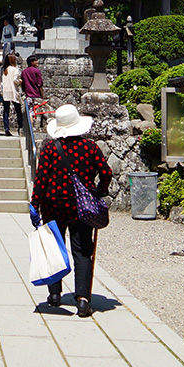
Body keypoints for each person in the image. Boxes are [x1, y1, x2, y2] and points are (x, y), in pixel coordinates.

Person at [30, 103, 112, 318]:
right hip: (81, 207)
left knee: (55, 247)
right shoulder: (90, 148)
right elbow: (106, 172)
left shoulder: (50, 148)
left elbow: (41, 179)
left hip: (52, 204)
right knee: (83, 251)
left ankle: (55, 294)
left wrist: (34, 204)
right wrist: (98, 192)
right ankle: (83, 300)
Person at [0, 52, 23, 137]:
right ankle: (20, 127)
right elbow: (15, 80)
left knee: (6, 110)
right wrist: (20, 81)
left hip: (6, 91)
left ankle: (6, 128)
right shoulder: (15, 69)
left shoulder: (5, 70)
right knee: (18, 110)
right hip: (13, 91)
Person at [20, 54, 45, 127]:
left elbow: (23, 84)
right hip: (36, 95)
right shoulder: (37, 71)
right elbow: (40, 84)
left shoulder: (24, 72)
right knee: (37, 112)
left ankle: (30, 127)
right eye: (35, 61)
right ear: (32, 62)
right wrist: (42, 94)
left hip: (28, 95)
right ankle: (36, 128)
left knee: (30, 112)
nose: (37, 62)